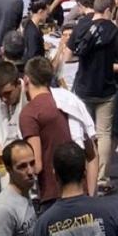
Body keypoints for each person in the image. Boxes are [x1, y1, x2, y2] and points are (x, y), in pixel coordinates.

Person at [69, 0, 118, 193]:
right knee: (104, 134)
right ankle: (101, 179)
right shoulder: (114, 31)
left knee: (84, 134)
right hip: (106, 89)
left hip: (83, 88)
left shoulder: (81, 25)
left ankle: (84, 173)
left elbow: (71, 51)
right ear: (109, 9)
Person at [19, 56, 77, 210]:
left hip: (52, 194)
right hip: (77, 187)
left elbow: (36, 165)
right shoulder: (67, 101)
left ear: (26, 80)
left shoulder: (29, 113)